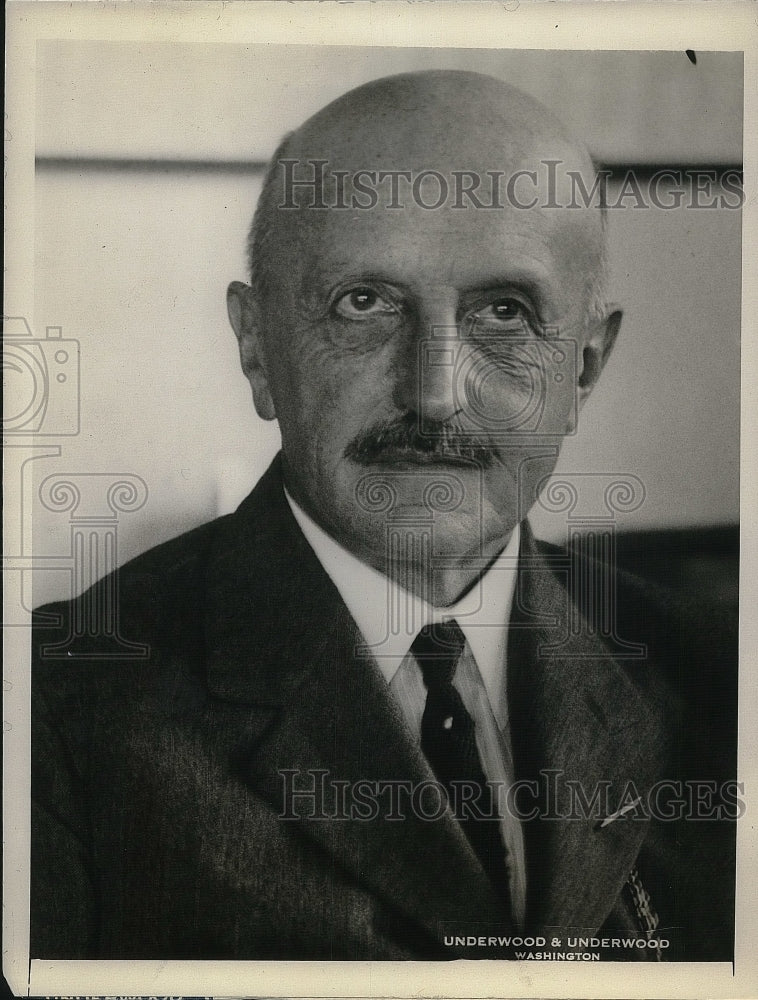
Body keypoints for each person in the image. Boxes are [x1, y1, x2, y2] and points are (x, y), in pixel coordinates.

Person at [31, 70, 737, 962]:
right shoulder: (56, 716)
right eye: (364, 303)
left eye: (505, 313)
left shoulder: (723, 683)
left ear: (585, 369)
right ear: (256, 346)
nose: (435, 394)